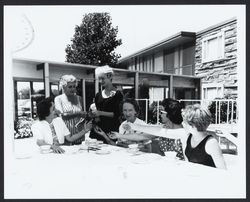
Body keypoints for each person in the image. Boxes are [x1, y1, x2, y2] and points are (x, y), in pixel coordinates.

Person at [123, 104, 226, 169]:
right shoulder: (186, 135)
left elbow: (223, 172)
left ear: (193, 125)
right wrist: (133, 126)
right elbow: (160, 131)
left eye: (185, 121)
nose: (182, 123)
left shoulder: (211, 143)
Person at [89, 65, 123, 143]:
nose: (100, 81)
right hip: (98, 130)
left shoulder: (118, 94)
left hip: (111, 130)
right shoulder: (98, 95)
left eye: (102, 78)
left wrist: (100, 113)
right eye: (99, 79)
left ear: (110, 76)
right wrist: (94, 116)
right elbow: (97, 115)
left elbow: (117, 114)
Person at [54, 75, 86, 145]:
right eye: (70, 87)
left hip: (79, 136)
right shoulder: (58, 99)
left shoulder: (79, 98)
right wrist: (78, 113)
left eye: (74, 86)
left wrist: (84, 117)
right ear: (63, 87)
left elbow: (82, 116)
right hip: (66, 137)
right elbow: (62, 116)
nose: (73, 89)